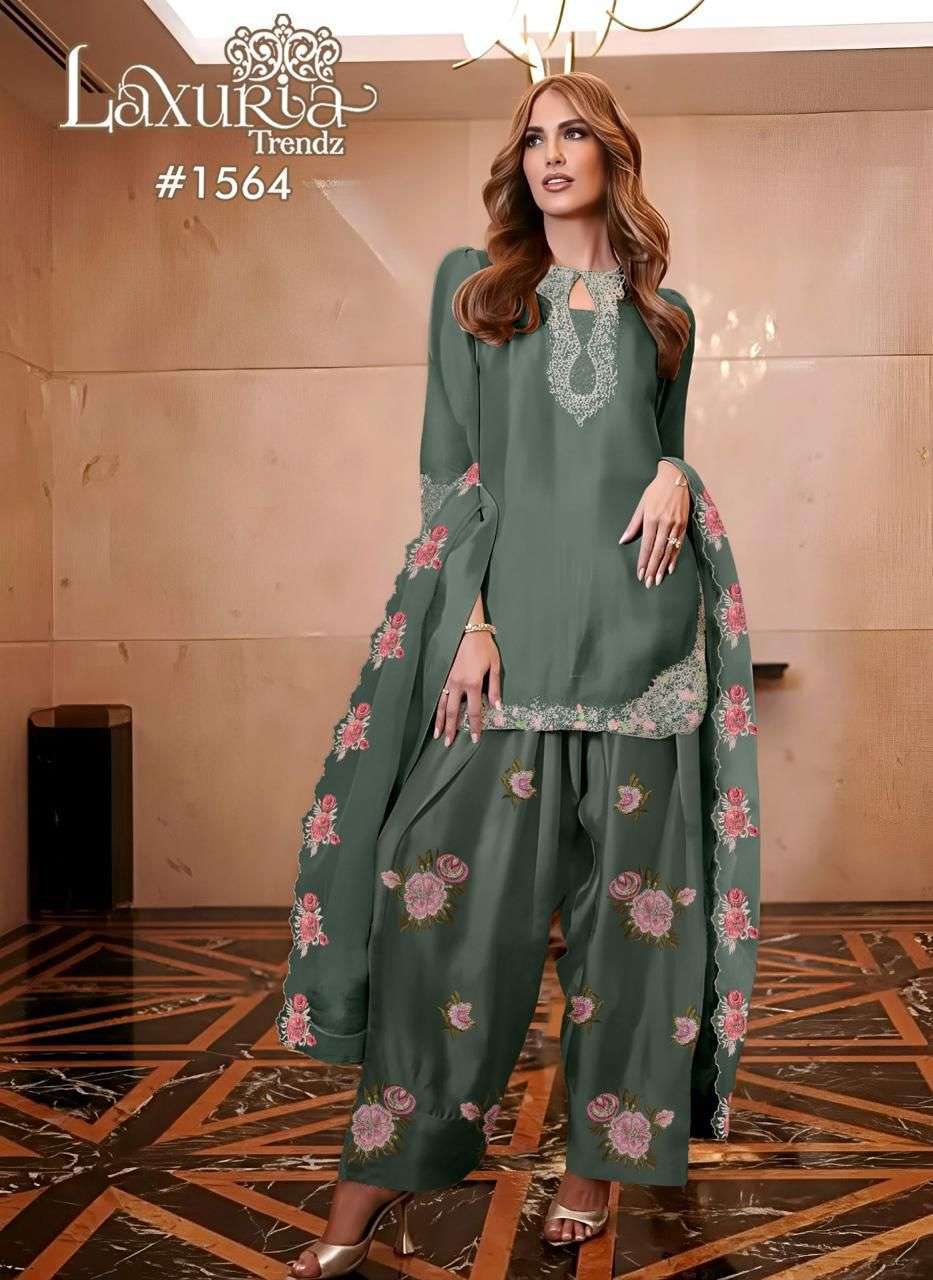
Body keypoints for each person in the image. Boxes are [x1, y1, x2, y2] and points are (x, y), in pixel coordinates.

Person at [277, 71, 761, 1277]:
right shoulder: (475, 290)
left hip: (646, 654)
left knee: (634, 932)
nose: (552, 153)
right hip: (513, 651)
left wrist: (679, 474)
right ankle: (380, 1168)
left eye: (575, 133)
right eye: (534, 136)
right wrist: (471, 623)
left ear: (613, 156)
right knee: (439, 912)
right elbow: (452, 474)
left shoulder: (667, 316)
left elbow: (662, 456)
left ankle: (594, 1164)